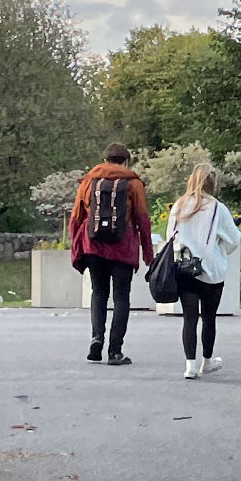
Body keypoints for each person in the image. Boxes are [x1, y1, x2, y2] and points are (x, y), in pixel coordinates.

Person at [68, 144, 153, 366]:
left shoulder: (88, 181)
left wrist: (76, 248)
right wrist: (149, 256)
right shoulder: (133, 183)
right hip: (123, 246)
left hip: (93, 245)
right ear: (126, 161)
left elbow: (75, 218)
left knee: (98, 293)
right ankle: (115, 351)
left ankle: (96, 340)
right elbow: (143, 220)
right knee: (121, 297)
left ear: (105, 159)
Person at [167, 162, 241, 380]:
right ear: (213, 182)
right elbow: (233, 239)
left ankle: (190, 365)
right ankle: (207, 361)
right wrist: (219, 250)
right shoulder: (218, 208)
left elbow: (172, 236)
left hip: (185, 269)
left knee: (189, 317)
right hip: (210, 269)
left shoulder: (179, 205)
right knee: (209, 317)